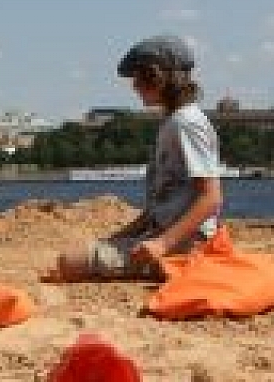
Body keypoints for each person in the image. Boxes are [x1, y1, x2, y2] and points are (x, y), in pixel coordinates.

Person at [41, 35, 223, 282]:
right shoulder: (175, 122)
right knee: (78, 256)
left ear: (159, 77)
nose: (134, 86)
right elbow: (158, 210)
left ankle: (179, 264)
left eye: (139, 77)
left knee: (69, 261)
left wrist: (163, 244)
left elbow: (211, 197)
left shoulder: (187, 123)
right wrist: (115, 240)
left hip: (186, 244)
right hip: (170, 237)